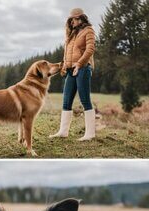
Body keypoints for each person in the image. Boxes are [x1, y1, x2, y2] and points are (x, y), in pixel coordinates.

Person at [51, 8, 96, 141]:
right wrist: (65, 65)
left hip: (83, 68)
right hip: (70, 70)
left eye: (74, 19)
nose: (72, 22)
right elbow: (67, 53)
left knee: (85, 100)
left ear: (81, 18)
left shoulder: (89, 31)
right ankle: (63, 132)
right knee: (66, 101)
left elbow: (90, 49)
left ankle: (90, 133)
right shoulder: (71, 34)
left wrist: (80, 64)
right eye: (70, 20)